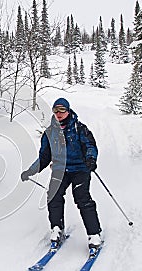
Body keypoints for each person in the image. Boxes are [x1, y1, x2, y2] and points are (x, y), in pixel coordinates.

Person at [21, 98, 102, 251]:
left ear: (68, 111)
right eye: (55, 110)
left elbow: (90, 145)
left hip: (80, 168)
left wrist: (91, 159)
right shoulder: (50, 133)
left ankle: (94, 234)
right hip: (60, 169)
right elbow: (44, 157)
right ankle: (57, 228)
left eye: (62, 110)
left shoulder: (79, 128)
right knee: (53, 195)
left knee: (81, 197)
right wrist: (30, 171)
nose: (58, 114)